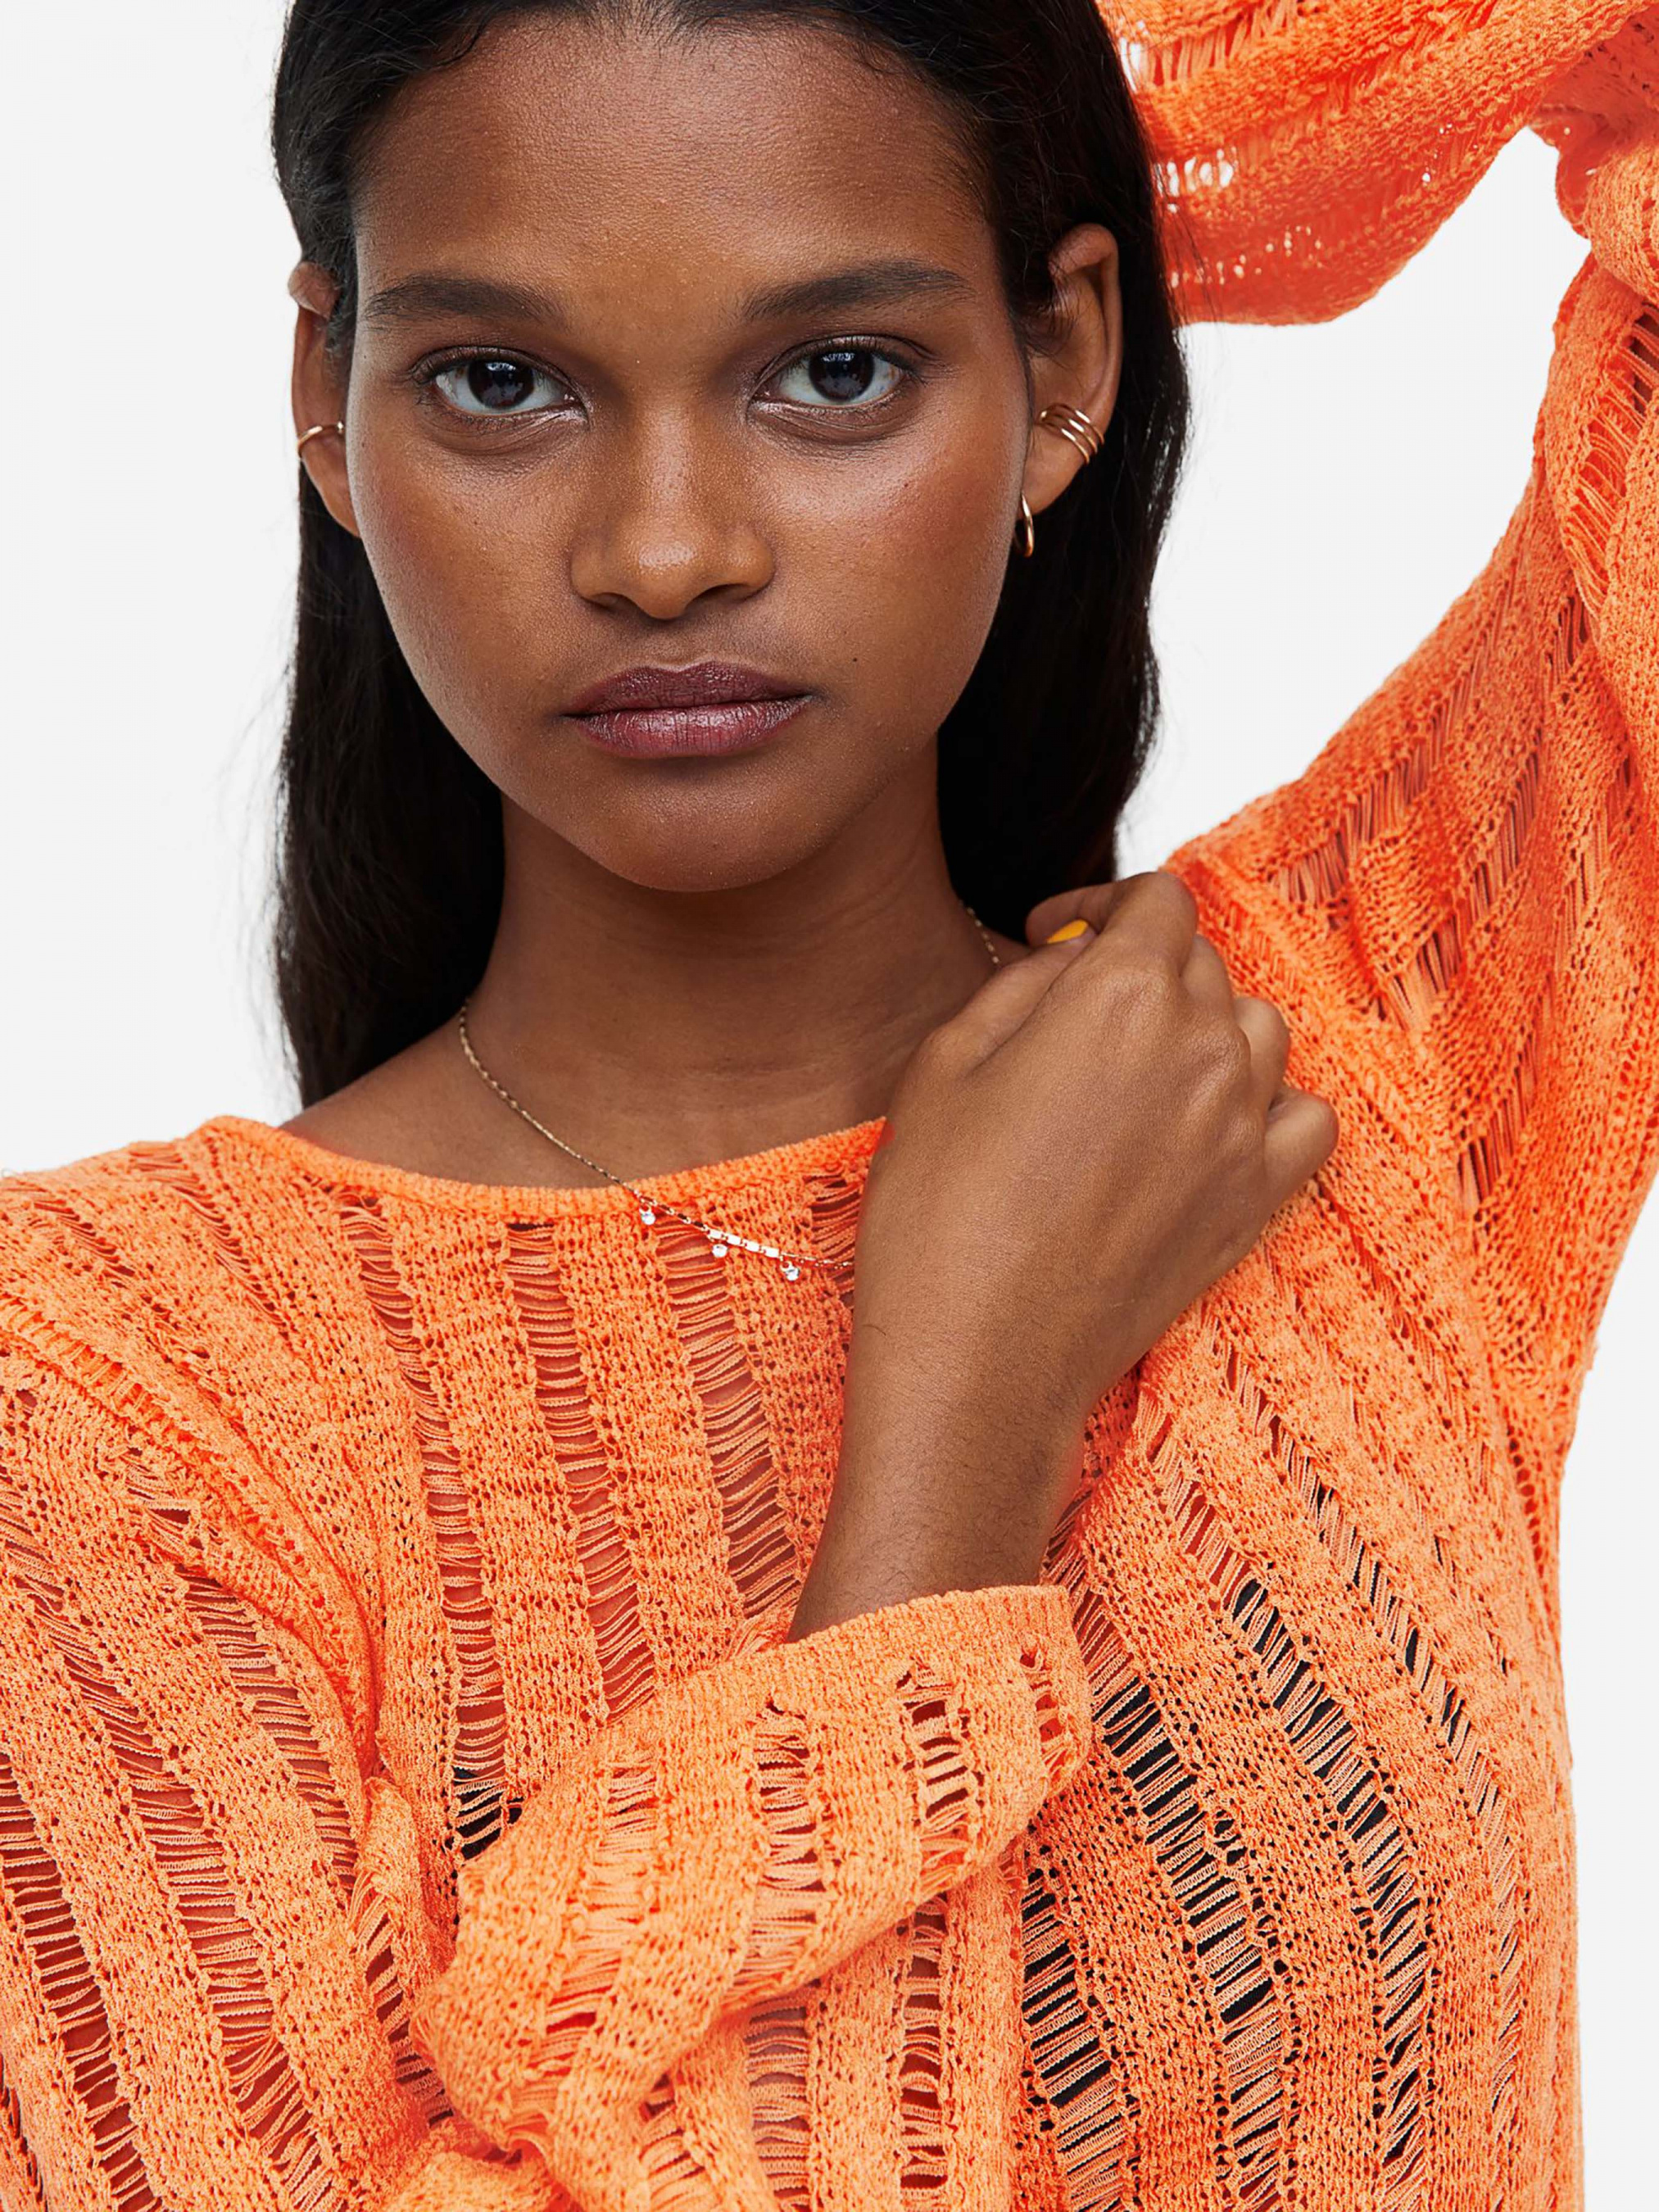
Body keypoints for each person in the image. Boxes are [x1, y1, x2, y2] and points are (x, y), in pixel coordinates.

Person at [0, 1, 1652, 2205]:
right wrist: (960, 1429)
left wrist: (1154, 100)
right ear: (331, 392)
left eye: (837, 369)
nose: (665, 547)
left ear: (1061, 359)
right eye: (504, 384)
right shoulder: (106, 1403)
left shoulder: (1320, 1068)